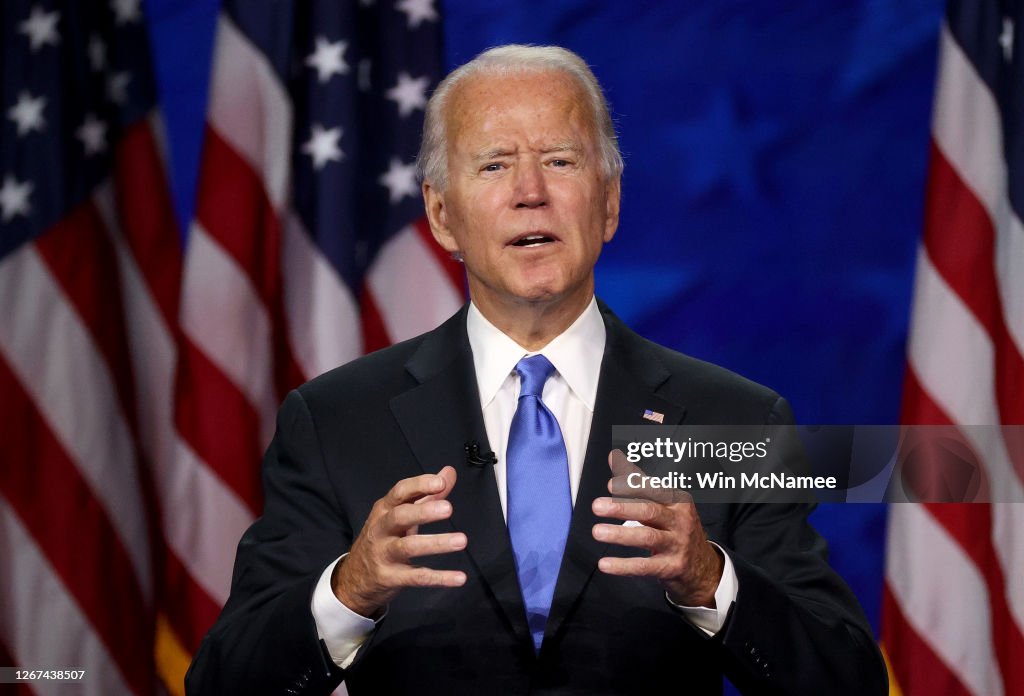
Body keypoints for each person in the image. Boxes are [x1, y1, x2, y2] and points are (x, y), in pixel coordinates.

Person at [185, 45, 887, 695]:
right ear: (441, 216)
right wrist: (349, 591)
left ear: (609, 202)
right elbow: (223, 682)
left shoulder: (733, 420)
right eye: (493, 164)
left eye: (560, 160)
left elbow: (845, 679)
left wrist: (710, 579)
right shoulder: (338, 421)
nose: (530, 191)